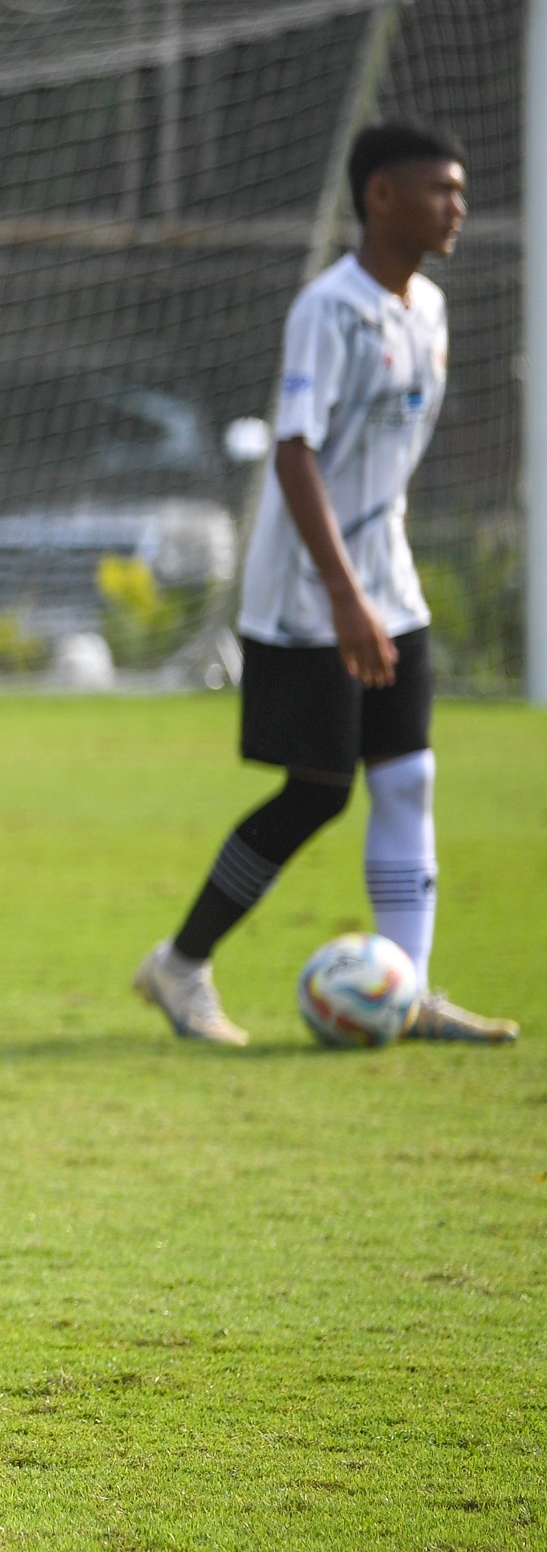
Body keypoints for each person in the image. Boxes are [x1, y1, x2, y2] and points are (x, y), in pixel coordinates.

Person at [133, 120, 516, 1047]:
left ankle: (408, 987)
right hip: (310, 588)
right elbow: (296, 453)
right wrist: (343, 596)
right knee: (318, 789)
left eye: (460, 191)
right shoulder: (328, 309)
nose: (457, 206)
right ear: (380, 195)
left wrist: (376, 578)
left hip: (388, 574)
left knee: (409, 775)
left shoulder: (426, 306)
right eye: (440, 190)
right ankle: (179, 967)